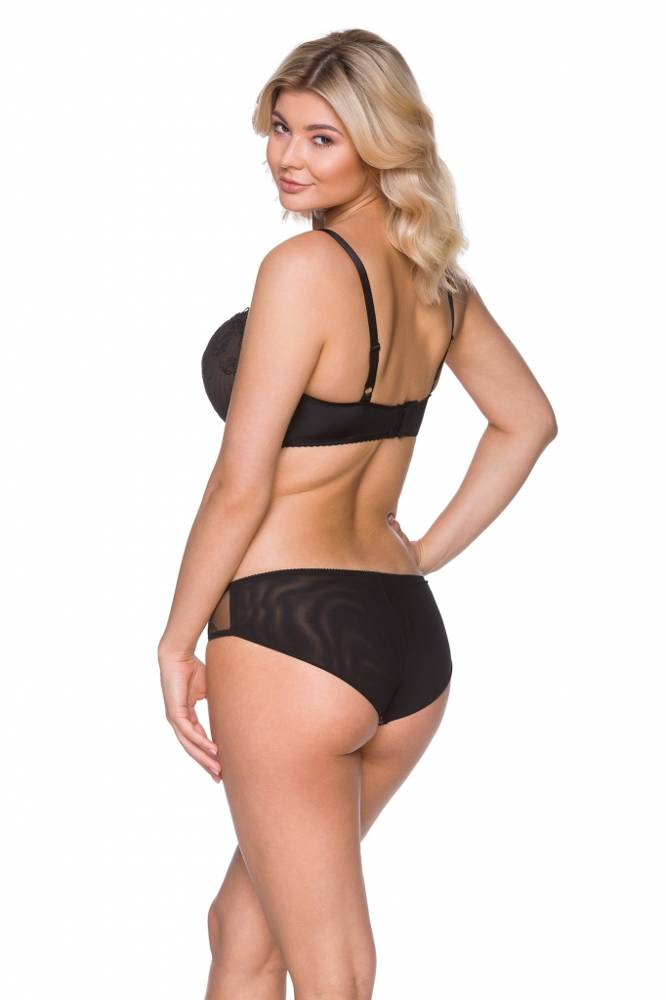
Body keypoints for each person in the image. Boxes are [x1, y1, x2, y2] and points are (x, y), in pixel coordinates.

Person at [157, 28, 557, 1000]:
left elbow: (239, 484)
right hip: (404, 642)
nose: (288, 157)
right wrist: (421, 555)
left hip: (289, 636)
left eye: (321, 137)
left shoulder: (301, 269)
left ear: (382, 141)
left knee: (332, 966)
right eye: (280, 129)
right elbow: (527, 422)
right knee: (242, 929)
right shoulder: (437, 284)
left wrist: (175, 640)